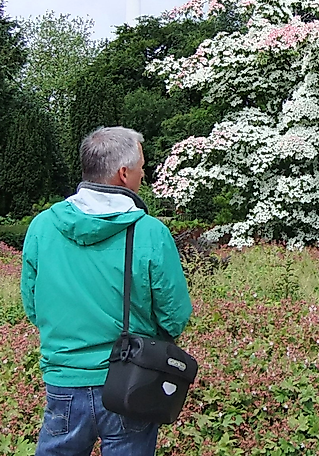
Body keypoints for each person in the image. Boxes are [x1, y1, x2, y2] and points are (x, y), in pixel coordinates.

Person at [22, 126, 193, 456]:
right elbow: (174, 318)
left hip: (63, 382)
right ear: (124, 173)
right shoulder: (150, 232)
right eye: (142, 168)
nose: (144, 175)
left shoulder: (42, 227)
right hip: (131, 381)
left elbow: (33, 307)